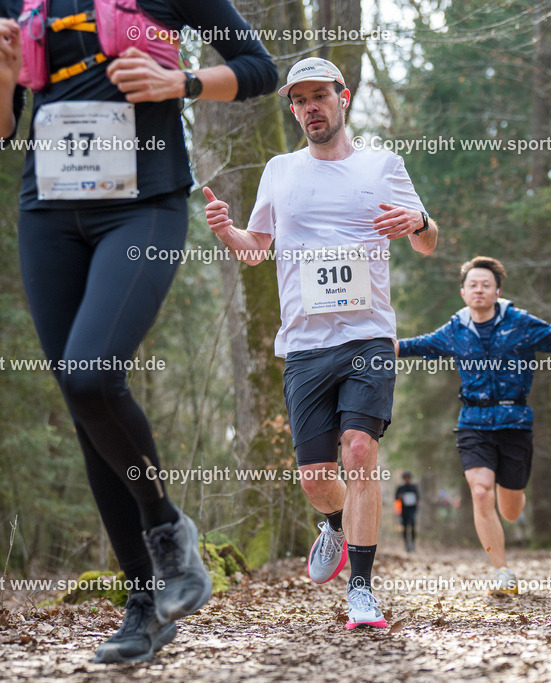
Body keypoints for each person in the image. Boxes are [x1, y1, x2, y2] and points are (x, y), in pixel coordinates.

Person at [0, 0, 277, 663]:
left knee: (91, 373)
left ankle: (166, 526)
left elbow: (260, 69)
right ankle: (144, 604)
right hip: (47, 213)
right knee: (86, 409)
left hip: (143, 207)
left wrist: (184, 83)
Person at [205, 57, 438, 629]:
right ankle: (332, 523)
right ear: (292, 108)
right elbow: (257, 248)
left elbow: (429, 240)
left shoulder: (383, 165)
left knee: (360, 449)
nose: (310, 106)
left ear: (344, 97)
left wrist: (416, 221)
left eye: (319, 96)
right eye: (299, 99)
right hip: (305, 343)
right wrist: (226, 229)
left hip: (369, 334)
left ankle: (361, 589)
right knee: (315, 478)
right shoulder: (281, 170)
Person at [398, 256, 551, 594]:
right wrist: (379, 347)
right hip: (473, 422)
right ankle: (503, 573)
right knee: (480, 493)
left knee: (510, 509)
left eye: (486, 285)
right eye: (473, 285)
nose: (479, 290)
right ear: (463, 293)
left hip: (515, 423)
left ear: (497, 291)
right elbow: (417, 346)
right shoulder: (455, 329)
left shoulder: (519, 322)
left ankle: (514, 497)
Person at [395, 471, 420, 552]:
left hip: (412, 510)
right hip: (403, 511)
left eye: (408, 478)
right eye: (405, 478)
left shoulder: (414, 487)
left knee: (412, 526)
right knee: (405, 528)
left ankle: (413, 544)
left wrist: (417, 506)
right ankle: (406, 545)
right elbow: (396, 500)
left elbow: (418, 499)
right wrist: (400, 498)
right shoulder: (400, 488)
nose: (407, 479)